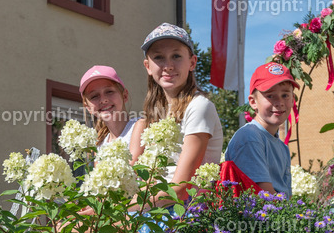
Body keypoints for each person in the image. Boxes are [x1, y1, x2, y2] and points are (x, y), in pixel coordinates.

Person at [130, 23, 223, 202]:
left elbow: (180, 190)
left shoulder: (199, 106)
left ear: (192, 62)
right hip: (153, 206)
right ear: (147, 66)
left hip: (182, 214)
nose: (168, 65)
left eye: (176, 56)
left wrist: (121, 211)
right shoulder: (155, 114)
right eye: (159, 57)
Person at [224, 63, 296, 196]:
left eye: (285, 95)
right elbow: (263, 195)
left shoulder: (281, 146)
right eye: (270, 96)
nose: (279, 102)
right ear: (253, 102)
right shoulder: (250, 137)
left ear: (293, 99)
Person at [79, 65, 137, 146]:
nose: (103, 100)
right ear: (88, 108)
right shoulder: (99, 145)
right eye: (94, 96)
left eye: (109, 91)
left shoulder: (139, 127)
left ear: (124, 96)